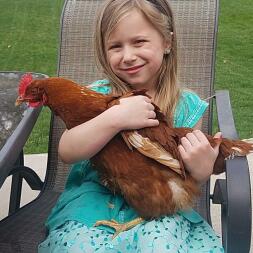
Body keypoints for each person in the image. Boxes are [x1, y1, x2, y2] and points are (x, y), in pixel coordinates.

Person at [38, 0, 224, 252]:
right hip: (93, 207)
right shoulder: (96, 97)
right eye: (116, 46)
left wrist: (201, 172)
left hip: (158, 208)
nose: (128, 56)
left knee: (160, 246)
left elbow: (181, 177)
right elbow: (68, 151)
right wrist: (115, 118)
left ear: (167, 43)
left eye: (139, 42)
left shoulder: (188, 107)